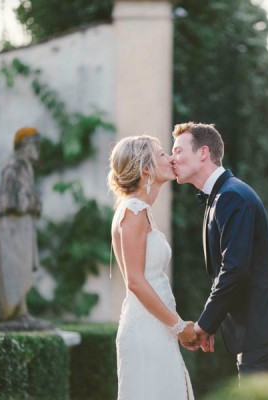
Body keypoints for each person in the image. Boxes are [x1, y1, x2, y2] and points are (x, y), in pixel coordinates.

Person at [171, 122, 268, 379]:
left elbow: (234, 269)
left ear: (203, 153)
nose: (172, 159)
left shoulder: (231, 196)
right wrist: (212, 324)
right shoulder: (222, 195)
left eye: (177, 151)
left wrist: (204, 324)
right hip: (256, 329)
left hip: (262, 328)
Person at [108, 135, 196, 399]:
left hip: (156, 326)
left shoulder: (140, 210)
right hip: (147, 329)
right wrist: (179, 326)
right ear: (146, 168)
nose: (170, 158)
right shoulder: (133, 211)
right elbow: (134, 281)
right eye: (161, 154)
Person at [0, 127, 42, 322]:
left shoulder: (27, 168)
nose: (37, 149)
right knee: (13, 271)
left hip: (24, 227)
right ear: (25, 146)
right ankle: (9, 312)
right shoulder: (13, 168)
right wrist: (30, 202)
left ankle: (20, 310)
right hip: (12, 228)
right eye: (34, 144)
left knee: (23, 271)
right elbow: (7, 202)